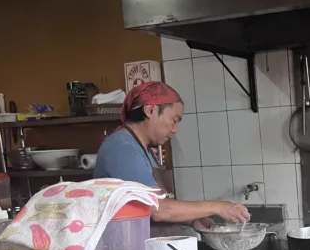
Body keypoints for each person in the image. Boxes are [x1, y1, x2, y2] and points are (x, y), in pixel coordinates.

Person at [94, 81, 250, 234]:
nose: (175, 129)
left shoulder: (142, 148)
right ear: (150, 110)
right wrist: (220, 207)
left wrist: (192, 218)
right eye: (174, 120)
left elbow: (154, 203)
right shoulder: (122, 149)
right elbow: (159, 209)